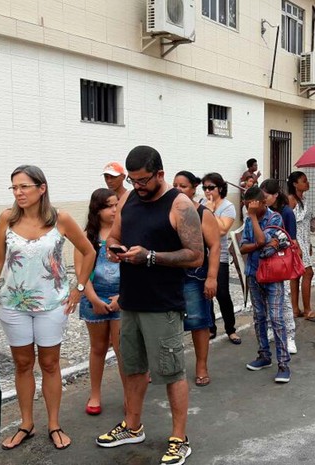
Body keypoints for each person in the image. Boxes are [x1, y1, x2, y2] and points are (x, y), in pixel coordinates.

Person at [0, 165, 96, 451]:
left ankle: (54, 424)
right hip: (14, 304)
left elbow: (89, 251)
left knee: (50, 364)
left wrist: (79, 289)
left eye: (24, 186)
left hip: (52, 303)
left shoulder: (60, 219)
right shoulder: (6, 218)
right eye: (14, 187)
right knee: (23, 364)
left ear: (41, 188)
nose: (18, 192)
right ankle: (26, 424)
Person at [96, 146, 202, 465]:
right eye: (133, 180)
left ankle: (179, 439)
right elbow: (113, 235)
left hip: (163, 305)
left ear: (159, 174)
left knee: (171, 373)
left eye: (143, 180)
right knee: (132, 368)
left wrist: (151, 257)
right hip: (131, 300)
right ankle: (132, 426)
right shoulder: (129, 199)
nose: (137, 186)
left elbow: (196, 255)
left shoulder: (180, 205)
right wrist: (114, 249)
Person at [74, 188, 125, 416]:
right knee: (98, 348)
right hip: (93, 299)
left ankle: (129, 394)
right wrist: (92, 298)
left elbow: (134, 268)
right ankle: (95, 394)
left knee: (124, 349)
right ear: (97, 209)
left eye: (116, 205)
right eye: (108, 206)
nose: (114, 210)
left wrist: (122, 297)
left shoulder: (126, 232)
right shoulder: (87, 237)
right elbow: (81, 273)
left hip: (121, 299)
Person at [173, 171, 220, 387]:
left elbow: (215, 246)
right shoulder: (168, 211)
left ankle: (201, 366)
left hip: (195, 275)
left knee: (198, 321)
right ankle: (168, 366)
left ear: (193, 188)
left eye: (183, 186)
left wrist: (211, 277)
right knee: (168, 323)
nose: (178, 189)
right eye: (175, 185)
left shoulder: (202, 213)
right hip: (170, 274)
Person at [240, 186, 291, 383]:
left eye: (251, 206)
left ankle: (284, 364)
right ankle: (264, 355)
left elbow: (262, 239)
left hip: (273, 276)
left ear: (262, 203)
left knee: (277, 318)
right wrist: (257, 245)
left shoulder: (274, 218)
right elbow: (245, 247)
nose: (248, 209)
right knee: (259, 316)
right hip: (253, 273)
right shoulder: (247, 221)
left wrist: (253, 218)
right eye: (246, 206)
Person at [202, 172, 241, 344]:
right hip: (203, 256)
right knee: (205, 294)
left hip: (220, 256)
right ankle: (210, 327)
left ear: (220, 188)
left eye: (211, 187)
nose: (207, 191)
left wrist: (210, 212)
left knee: (222, 294)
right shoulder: (202, 204)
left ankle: (230, 329)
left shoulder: (228, 206)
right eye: (204, 188)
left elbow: (223, 230)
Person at [261, 178, 298, 354]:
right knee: (266, 300)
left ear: (275, 195)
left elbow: (292, 240)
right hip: (264, 262)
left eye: (265, 195)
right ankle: (271, 329)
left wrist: (276, 243)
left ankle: (290, 335)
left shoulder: (287, 213)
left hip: (281, 262)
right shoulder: (262, 212)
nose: (262, 198)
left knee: (284, 300)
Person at [287, 171, 315, 321]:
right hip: (296, 240)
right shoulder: (291, 200)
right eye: (304, 181)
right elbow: (288, 222)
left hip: (305, 239)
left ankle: (296, 309)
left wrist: (309, 243)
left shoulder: (304, 199)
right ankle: (307, 309)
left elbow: (307, 223)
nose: (307, 183)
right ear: (295, 183)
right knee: (308, 273)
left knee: (296, 275)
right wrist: (295, 244)